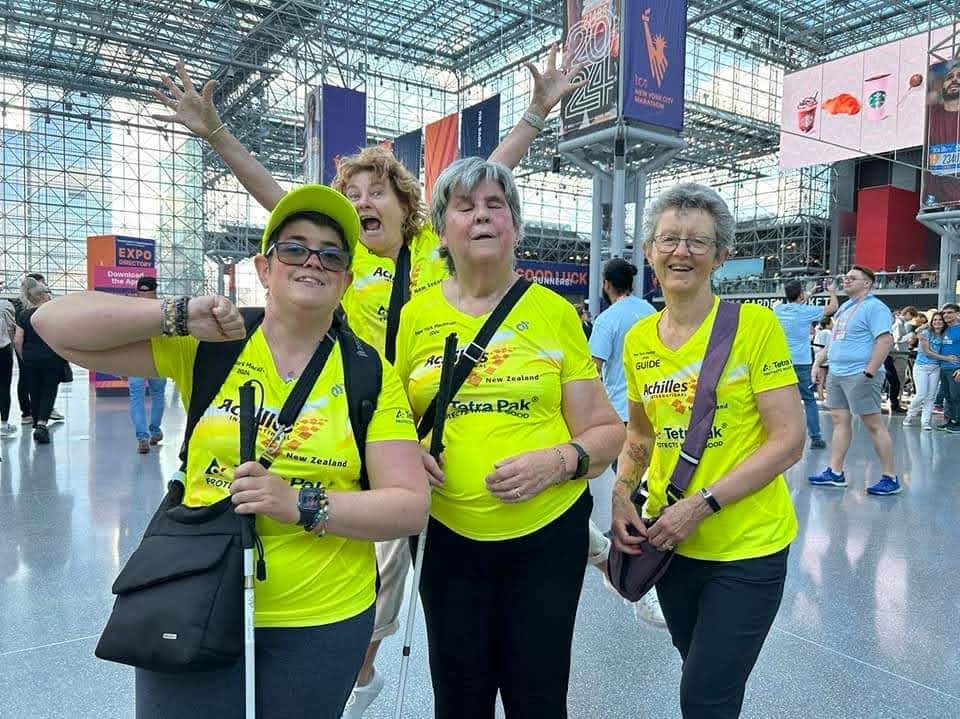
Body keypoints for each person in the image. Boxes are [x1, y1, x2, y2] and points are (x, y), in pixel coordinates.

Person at [149, 52, 608, 717]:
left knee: (534, 537)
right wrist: (218, 136)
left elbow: (485, 187)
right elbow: (279, 203)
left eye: (376, 192)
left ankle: (595, 549)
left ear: (411, 208)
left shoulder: (431, 253)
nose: (362, 203)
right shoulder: (346, 260)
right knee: (389, 572)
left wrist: (536, 113)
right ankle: (365, 668)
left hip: (442, 439)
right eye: (351, 195)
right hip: (378, 433)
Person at [33, 185, 430, 719]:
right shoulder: (215, 342)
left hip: (322, 618)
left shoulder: (367, 373)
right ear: (265, 269)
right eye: (294, 248)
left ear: (346, 280)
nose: (313, 260)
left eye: (331, 254)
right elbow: (51, 324)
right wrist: (175, 315)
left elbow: (408, 504)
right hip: (195, 595)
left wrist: (299, 504)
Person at [395, 158, 625, 718]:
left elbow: (607, 431)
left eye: (495, 205)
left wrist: (557, 461)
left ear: (515, 227)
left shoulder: (553, 312)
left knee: (539, 698)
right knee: (459, 698)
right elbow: (391, 424)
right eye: (465, 206)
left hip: (547, 539)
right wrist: (409, 457)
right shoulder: (414, 316)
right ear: (442, 230)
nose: (481, 216)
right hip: (448, 538)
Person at [613, 182, 804, 719]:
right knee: (699, 670)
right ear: (649, 252)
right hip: (671, 549)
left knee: (705, 696)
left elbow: (788, 439)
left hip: (747, 548)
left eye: (698, 242)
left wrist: (702, 505)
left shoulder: (754, 326)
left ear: (720, 256)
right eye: (669, 239)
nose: (681, 252)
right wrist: (622, 494)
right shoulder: (638, 341)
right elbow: (641, 436)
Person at [586, 257, 662, 626]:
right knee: (652, 485)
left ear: (606, 284)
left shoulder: (607, 320)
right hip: (659, 408)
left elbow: (592, 371)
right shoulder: (651, 311)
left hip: (622, 415)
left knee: (625, 491)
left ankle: (634, 567)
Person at [809, 265, 902, 495]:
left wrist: (869, 372)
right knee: (840, 420)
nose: (846, 280)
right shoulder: (845, 308)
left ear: (867, 283)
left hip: (860, 374)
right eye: (846, 277)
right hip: (838, 373)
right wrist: (818, 362)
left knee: (873, 424)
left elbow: (885, 341)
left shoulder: (875, 308)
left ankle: (890, 477)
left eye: (852, 278)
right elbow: (834, 341)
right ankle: (835, 471)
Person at [773, 278, 838, 449]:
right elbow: (833, 308)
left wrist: (809, 293)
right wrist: (831, 291)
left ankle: (780, 437)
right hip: (801, 362)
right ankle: (815, 437)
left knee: (780, 400)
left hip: (781, 361)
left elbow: (796, 303)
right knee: (808, 399)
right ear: (801, 295)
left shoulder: (778, 309)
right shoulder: (806, 312)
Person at [13, 277, 69, 444]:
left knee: (35, 391)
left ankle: (37, 423)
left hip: (30, 358)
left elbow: (17, 340)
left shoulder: (23, 315)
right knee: (49, 390)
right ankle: (42, 424)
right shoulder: (52, 313)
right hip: (52, 357)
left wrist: (24, 357)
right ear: (43, 295)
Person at [128, 276, 168, 454]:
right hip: (158, 359)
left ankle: (142, 438)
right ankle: (155, 431)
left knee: (136, 398)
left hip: (134, 361)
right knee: (158, 395)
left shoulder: (129, 310)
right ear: (155, 290)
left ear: (137, 290)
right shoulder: (163, 309)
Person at [904, 311, 951, 430]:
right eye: (935, 320)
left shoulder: (946, 334)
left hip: (935, 368)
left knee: (931, 397)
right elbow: (927, 352)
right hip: (921, 367)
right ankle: (909, 415)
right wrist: (946, 358)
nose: (937, 322)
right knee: (921, 394)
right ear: (931, 322)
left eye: (940, 320)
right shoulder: (925, 333)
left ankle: (925, 422)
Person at [937, 303, 960, 432]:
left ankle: (958, 423)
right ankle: (951, 421)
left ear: (957, 314)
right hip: (943, 368)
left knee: (957, 396)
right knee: (948, 396)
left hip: (956, 369)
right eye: (944, 313)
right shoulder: (944, 329)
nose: (946, 315)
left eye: (949, 312)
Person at [0, 295, 15, 436]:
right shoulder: (5, 305)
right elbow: (11, 329)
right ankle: (4, 424)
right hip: (3, 350)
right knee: (4, 387)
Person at [812, 316, 833, 401]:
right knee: (826, 378)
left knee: (821, 378)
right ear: (827, 324)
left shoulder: (819, 332)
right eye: (831, 323)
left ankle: (821, 396)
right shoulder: (828, 332)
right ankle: (827, 397)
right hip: (825, 358)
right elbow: (830, 345)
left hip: (818, 356)